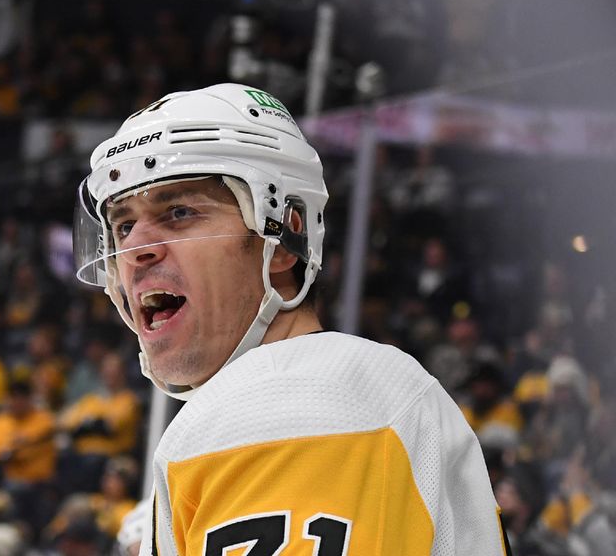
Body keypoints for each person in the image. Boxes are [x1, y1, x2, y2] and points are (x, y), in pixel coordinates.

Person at [72, 83, 511, 555]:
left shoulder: (289, 396)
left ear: (283, 242)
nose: (136, 250)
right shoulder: (363, 391)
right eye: (122, 226)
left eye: (179, 212)